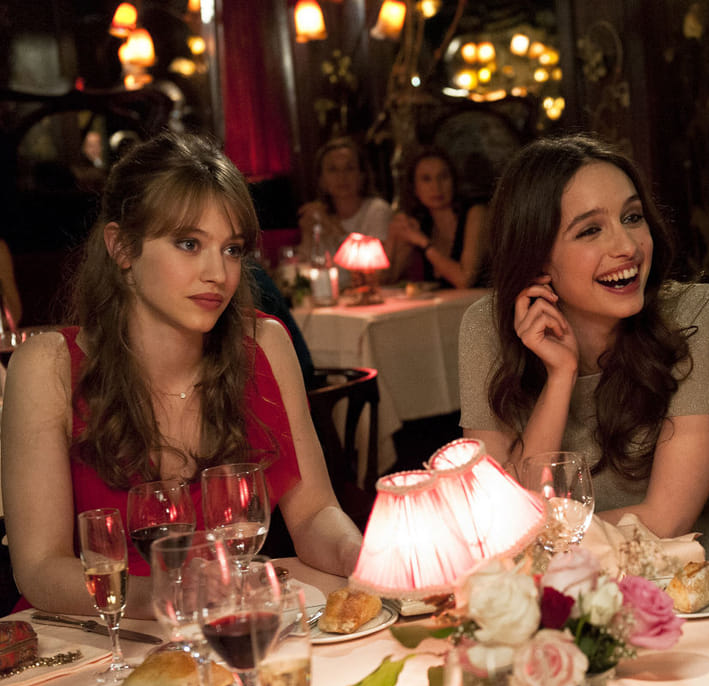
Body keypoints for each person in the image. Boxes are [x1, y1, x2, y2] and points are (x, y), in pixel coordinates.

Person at [2, 131, 363, 618]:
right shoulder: (48, 367)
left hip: (225, 624)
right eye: (189, 244)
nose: (218, 272)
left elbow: (315, 513)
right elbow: (41, 568)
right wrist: (162, 597)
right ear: (122, 248)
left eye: (232, 249)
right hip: (96, 635)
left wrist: (359, 555)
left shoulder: (264, 344)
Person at [458, 134, 709, 539]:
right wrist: (560, 376)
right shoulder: (487, 327)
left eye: (632, 217)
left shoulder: (696, 313)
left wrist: (533, 533)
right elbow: (506, 508)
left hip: (675, 573)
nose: (627, 246)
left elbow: (668, 517)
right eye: (590, 230)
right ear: (537, 255)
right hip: (548, 576)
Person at [385, 147, 488, 289]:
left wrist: (424, 243)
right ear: (414, 188)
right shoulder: (420, 223)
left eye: (443, 177)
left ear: (454, 180)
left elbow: (464, 280)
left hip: (485, 301)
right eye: (426, 179)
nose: (436, 187)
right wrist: (393, 236)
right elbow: (387, 280)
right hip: (449, 303)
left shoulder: (475, 213)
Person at [298, 137, 393, 287]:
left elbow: (370, 272)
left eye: (349, 168)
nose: (341, 177)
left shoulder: (377, 210)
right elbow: (303, 274)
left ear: (362, 175)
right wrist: (307, 234)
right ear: (322, 180)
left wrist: (331, 226)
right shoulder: (318, 214)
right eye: (333, 170)